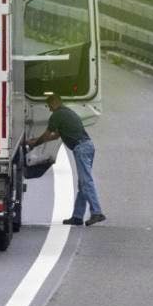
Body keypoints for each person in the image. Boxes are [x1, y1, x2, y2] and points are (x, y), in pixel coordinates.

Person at [28, 94, 104, 226]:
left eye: (50, 105)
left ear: (55, 102)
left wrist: (34, 144)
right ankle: (77, 216)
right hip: (87, 146)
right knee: (82, 184)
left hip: (81, 148)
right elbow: (56, 136)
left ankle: (97, 212)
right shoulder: (66, 113)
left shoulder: (57, 115)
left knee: (86, 181)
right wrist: (34, 141)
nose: (50, 109)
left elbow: (47, 135)